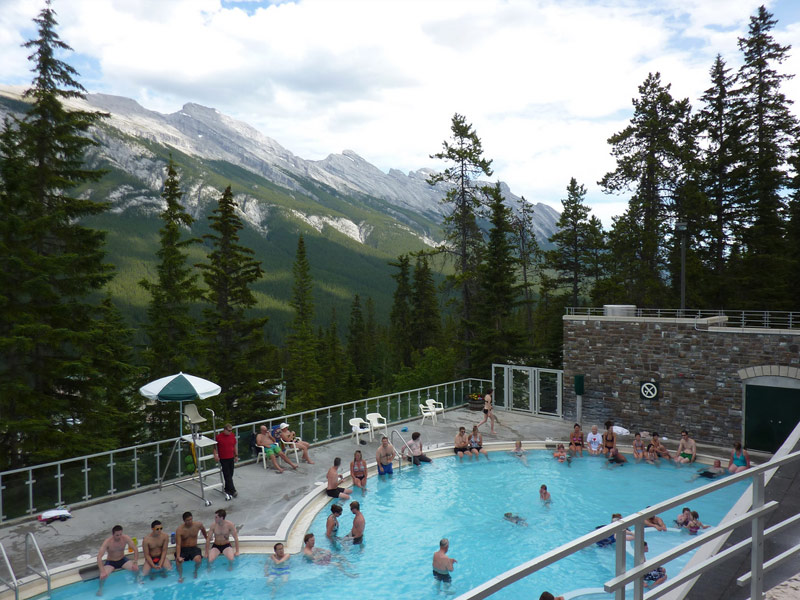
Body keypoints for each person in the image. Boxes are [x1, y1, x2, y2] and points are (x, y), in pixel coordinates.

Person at [96, 525, 139, 595]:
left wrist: (135, 562)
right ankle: (100, 589)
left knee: (136, 569)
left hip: (122, 559)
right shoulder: (107, 542)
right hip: (111, 562)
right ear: (113, 535)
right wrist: (102, 571)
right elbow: (99, 557)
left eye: (120, 534)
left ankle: (137, 580)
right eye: (117, 535)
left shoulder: (125, 538)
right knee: (102, 576)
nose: (119, 537)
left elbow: (135, 549)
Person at [175, 511, 208, 583]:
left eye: (191, 519)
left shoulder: (198, 525)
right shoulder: (180, 530)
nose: (190, 521)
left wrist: (206, 537)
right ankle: (180, 576)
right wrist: (178, 556)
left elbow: (203, 529)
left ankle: (195, 571)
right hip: (183, 549)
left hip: (193, 548)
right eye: (187, 520)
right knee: (178, 562)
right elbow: (178, 544)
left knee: (198, 560)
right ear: (184, 521)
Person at [214, 423, 238, 498]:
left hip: (231, 457)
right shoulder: (218, 437)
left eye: (231, 430)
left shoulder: (232, 436)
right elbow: (214, 447)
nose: (230, 432)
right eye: (229, 430)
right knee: (227, 474)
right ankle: (233, 490)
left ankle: (227, 489)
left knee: (230, 474)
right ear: (224, 430)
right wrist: (216, 455)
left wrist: (236, 455)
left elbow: (234, 446)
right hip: (223, 458)